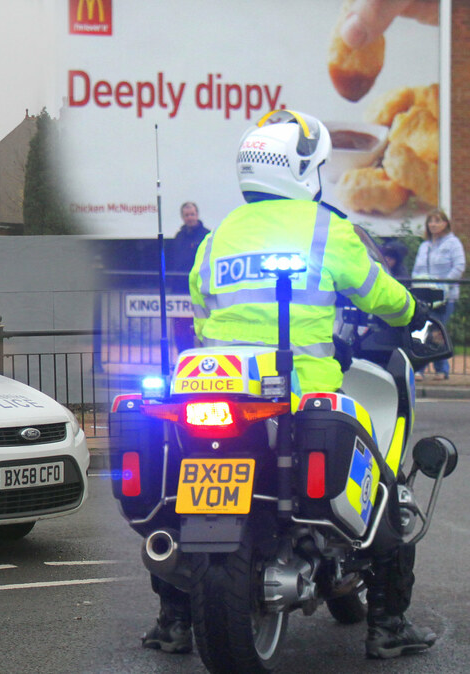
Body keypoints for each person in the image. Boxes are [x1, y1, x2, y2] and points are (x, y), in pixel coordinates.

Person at [140, 109, 433, 659]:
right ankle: (389, 627)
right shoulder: (327, 228)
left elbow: (203, 318)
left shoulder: (219, 235)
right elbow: (379, 294)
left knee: (178, 500)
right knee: (386, 484)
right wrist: (414, 309)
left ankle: (175, 620)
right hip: (302, 390)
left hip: (218, 388)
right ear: (305, 170)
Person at [412, 210, 465, 380]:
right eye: (431, 221)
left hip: (445, 296)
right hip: (424, 296)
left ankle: (435, 369)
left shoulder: (453, 243)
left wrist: (443, 285)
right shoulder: (424, 246)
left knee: (436, 331)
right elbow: (417, 270)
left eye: (437, 221)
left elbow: (458, 266)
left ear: (445, 223)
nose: (433, 224)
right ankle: (431, 369)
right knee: (423, 330)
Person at [167, 202, 210, 353]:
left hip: (199, 290)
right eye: (187, 215)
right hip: (179, 290)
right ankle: (183, 357)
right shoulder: (179, 237)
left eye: (192, 214)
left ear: (197, 215)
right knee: (180, 329)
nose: (190, 218)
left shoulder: (206, 235)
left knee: (202, 328)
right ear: (182, 217)